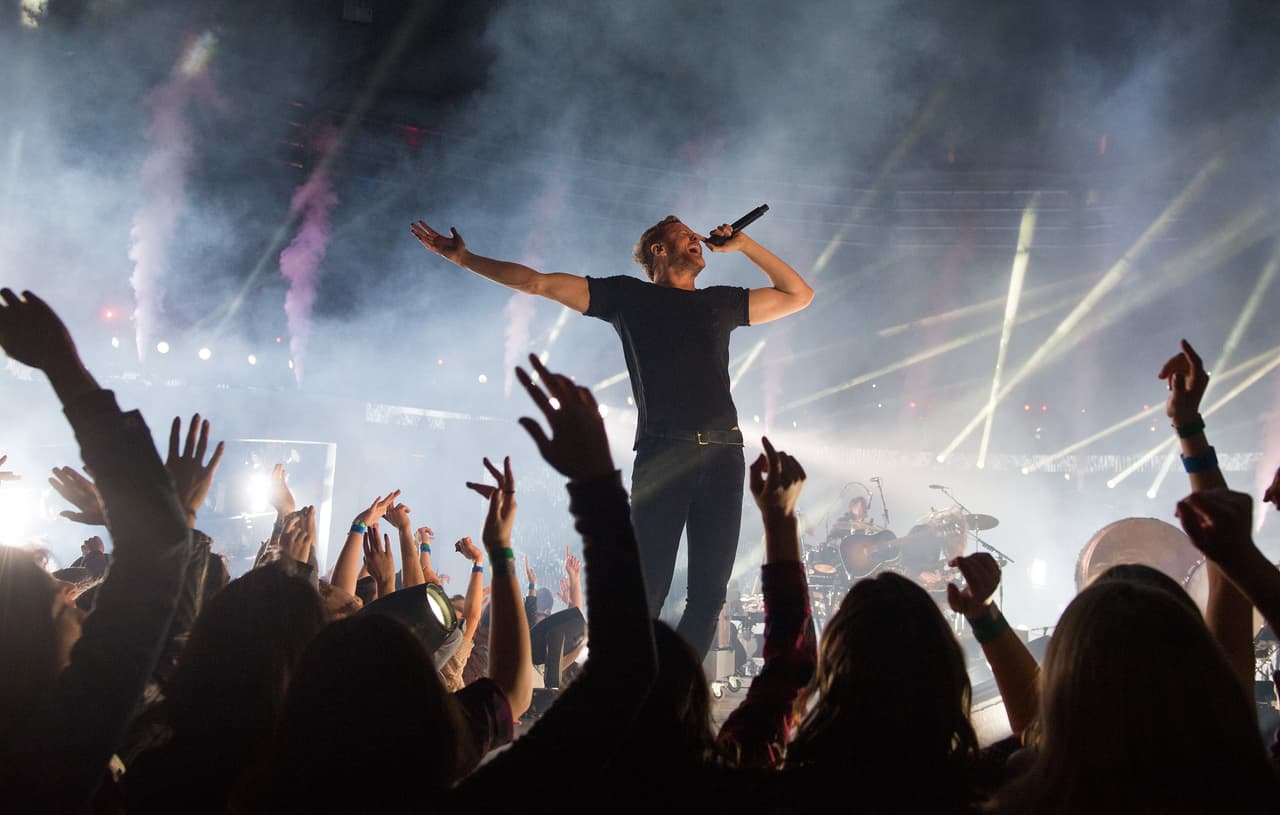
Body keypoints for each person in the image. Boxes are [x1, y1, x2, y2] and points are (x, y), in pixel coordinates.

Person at [411, 214, 813, 657]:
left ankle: (677, 697)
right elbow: (536, 283)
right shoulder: (627, 296)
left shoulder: (722, 302)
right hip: (665, 452)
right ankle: (633, 690)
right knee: (647, 593)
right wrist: (466, 259)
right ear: (659, 250)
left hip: (724, 455)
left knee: (709, 596)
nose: (697, 237)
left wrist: (746, 246)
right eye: (684, 234)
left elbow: (799, 295)